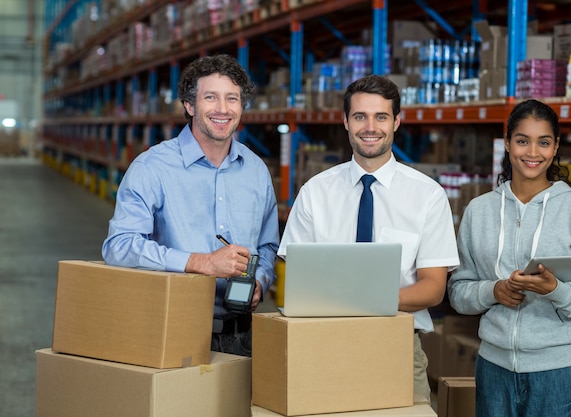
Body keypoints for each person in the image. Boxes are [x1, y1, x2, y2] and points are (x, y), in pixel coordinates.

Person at [277, 74, 459, 401]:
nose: (370, 127)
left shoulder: (428, 196)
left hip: (398, 343)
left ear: (397, 122)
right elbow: (298, 279)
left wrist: (365, 299)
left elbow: (433, 288)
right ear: (345, 121)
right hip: (323, 342)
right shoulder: (314, 193)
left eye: (381, 117)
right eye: (360, 116)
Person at [102, 54, 280, 357]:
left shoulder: (256, 170)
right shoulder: (152, 168)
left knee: (242, 407)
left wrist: (260, 281)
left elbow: (267, 245)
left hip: (243, 336)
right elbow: (119, 246)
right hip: (171, 329)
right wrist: (201, 263)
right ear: (189, 105)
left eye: (232, 99)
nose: (223, 109)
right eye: (210, 97)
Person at [447, 99, 571, 417]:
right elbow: (458, 292)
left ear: (556, 146)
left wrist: (555, 290)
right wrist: (493, 291)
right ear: (507, 143)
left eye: (543, 142)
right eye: (522, 140)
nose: (532, 152)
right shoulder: (479, 211)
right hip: (493, 369)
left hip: (559, 373)